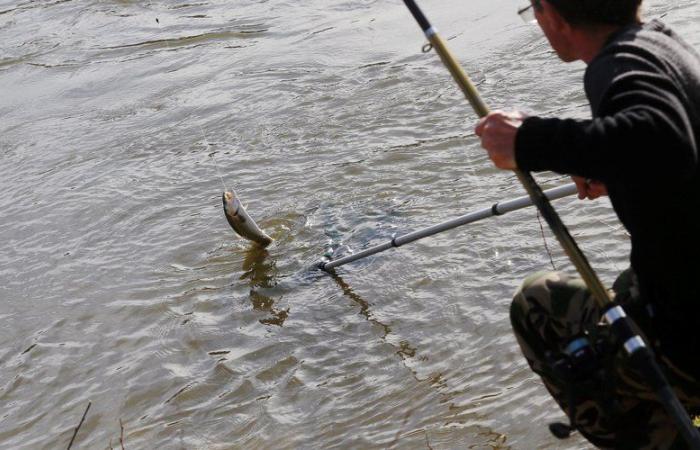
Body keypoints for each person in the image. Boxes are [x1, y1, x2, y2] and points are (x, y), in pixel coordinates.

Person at [474, 0, 700, 448]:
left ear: (552, 15)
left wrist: (529, 141)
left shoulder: (613, 65)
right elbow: (677, 150)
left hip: (688, 339)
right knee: (625, 281)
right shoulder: (662, 42)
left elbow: (662, 138)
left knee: (536, 304)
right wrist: (614, 170)